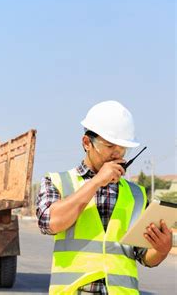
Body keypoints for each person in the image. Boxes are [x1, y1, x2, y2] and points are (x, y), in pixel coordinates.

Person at [36, 100, 172, 294]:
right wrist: (96, 182)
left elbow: (143, 255)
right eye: (110, 146)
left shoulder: (137, 194)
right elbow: (49, 223)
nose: (117, 155)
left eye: (122, 148)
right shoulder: (57, 181)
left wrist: (161, 249)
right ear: (86, 143)